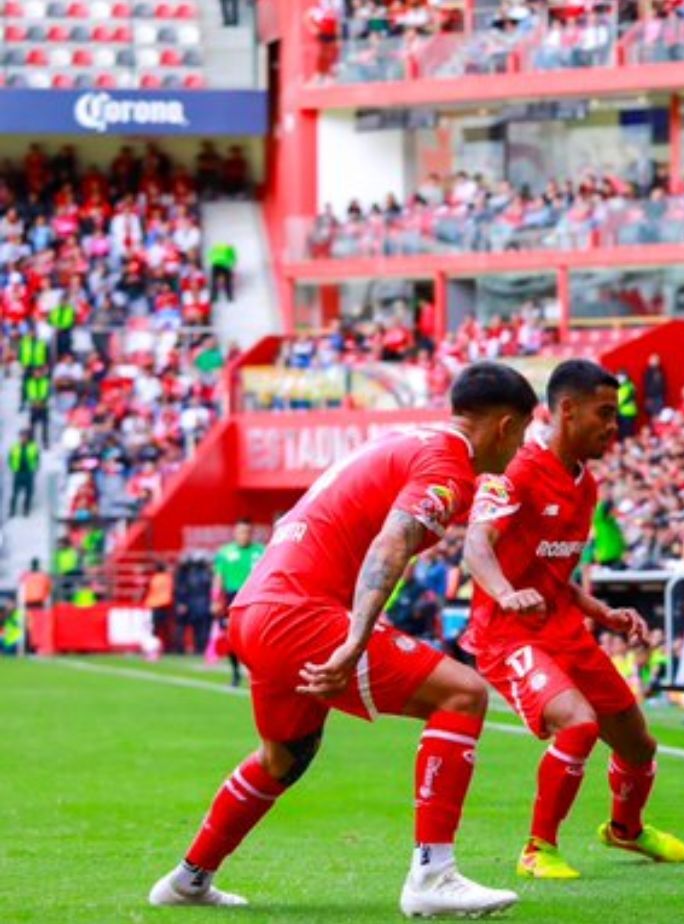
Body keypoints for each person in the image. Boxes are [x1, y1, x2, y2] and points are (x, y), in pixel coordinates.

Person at [149, 362, 537, 916]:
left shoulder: (406, 439)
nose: (519, 449)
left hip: (256, 609)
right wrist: (356, 636)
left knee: (284, 757)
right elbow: (392, 541)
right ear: (504, 426)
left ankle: (189, 878)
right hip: (302, 612)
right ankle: (433, 875)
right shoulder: (447, 462)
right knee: (464, 694)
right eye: (522, 434)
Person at [461, 359, 684, 881]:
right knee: (579, 723)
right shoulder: (517, 470)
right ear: (567, 410)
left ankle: (625, 830)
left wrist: (600, 611)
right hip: (507, 634)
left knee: (639, 744)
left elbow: (552, 570)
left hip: (563, 627)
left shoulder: (584, 484)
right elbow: (476, 546)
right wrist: (504, 593)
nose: (615, 426)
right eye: (605, 413)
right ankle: (537, 848)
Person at [212, 519, 266, 688]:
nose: (244, 535)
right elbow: (218, 577)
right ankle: (235, 673)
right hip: (232, 598)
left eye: (247, 532)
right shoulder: (225, 553)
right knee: (232, 639)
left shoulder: (261, 551)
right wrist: (215, 600)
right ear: (235, 533)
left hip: (254, 598)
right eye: (241, 532)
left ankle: (257, 673)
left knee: (255, 638)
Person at [7, 429, 39, 519]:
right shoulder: (15, 447)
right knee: (15, 493)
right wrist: (13, 467)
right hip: (18, 472)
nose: (23, 438)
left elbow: (37, 458)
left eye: (25, 436)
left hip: (28, 473)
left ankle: (26, 509)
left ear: (28, 437)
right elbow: (10, 458)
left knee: (29, 492)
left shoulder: (33, 447)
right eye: (22, 436)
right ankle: (12, 510)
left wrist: (34, 468)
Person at [207, 240, 237, 304]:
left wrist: (212, 261)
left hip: (216, 263)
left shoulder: (216, 248)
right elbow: (233, 258)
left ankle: (213, 297)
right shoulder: (229, 249)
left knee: (214, 281)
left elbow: (209, 255)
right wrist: (231, 265)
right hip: (225, 264)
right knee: (227, 282)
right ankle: (229, 297)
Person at [614, 370, 639, 439]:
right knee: (623, 434)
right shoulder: (622, 386)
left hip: (626, 413)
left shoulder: (627, 387)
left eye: (620, 377)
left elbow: (619, 400)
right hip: (623, 413)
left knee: (626, 434)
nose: (618, 378)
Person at [642, 354, 668, 418]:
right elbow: (646, 385)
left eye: (655, 360)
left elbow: (663, 384)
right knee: (652, 415)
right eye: (652, 360)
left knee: (658, 415)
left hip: (659, 397)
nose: (654, 362)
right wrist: (648, 397)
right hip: (651, 397)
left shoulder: (660, 371)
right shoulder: (648, 372)